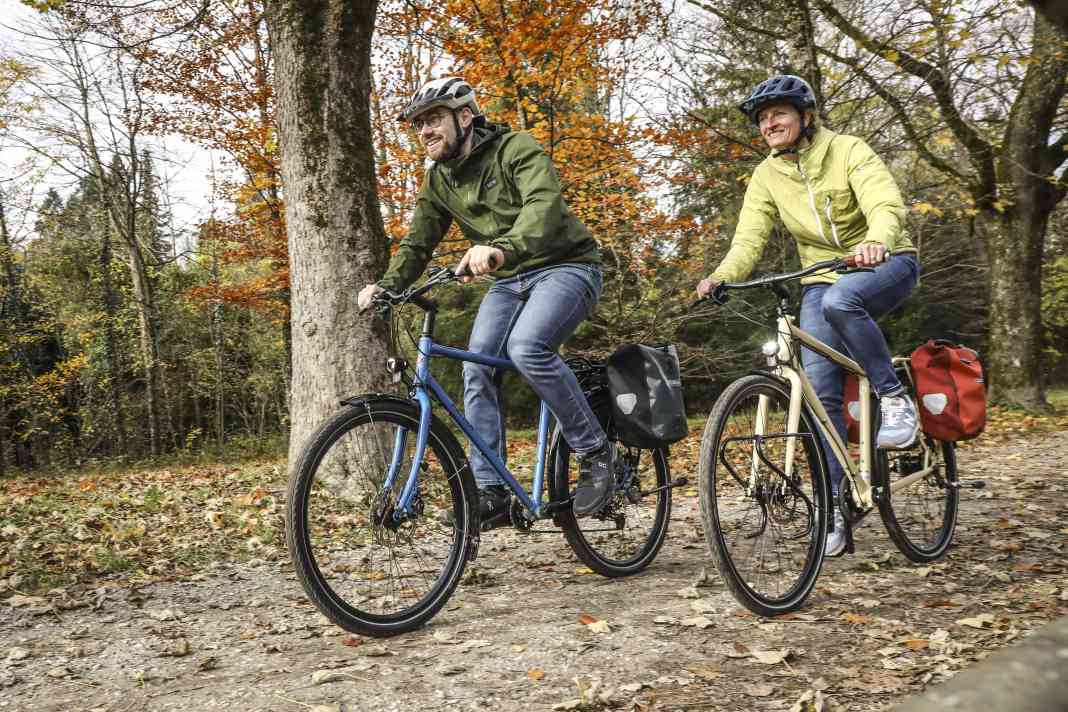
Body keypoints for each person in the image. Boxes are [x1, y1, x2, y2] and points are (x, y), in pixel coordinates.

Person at [357, 77, 613, 529]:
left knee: (527, 348)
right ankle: (490, 489)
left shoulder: (516, 149)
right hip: (509, 279)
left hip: (566, 266)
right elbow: (418, 242)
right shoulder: (438, 179)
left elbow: (544, 206)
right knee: (477, 366)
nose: (425, 131)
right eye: (418, 125)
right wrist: (388, 285)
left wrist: (501, 248)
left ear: (466, 115)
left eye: (433, 119)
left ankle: (595, 452)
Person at [695, 74, 921, 557]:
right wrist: (720, 275)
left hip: (888, 261)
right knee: (818, 389)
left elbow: (885, 201)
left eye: (778, 113)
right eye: (762, 118)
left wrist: (877, 239)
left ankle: (894, 397)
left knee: (845, 303)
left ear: (805, 116)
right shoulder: (766, 175)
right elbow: (749, 238)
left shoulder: (848, 149)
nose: (769, 124)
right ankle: (835, 505)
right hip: (820, 275)